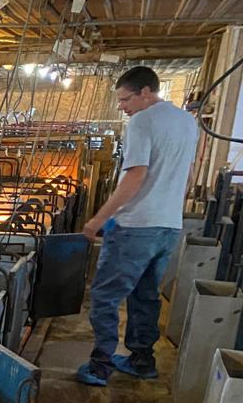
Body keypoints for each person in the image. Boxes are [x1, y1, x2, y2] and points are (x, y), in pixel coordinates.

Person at [76, 65, 199, 386]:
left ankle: (99, 366)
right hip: (169, 226)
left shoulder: (143, 122)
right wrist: (169, 206)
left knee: (105, 296)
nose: (121, 106)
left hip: (135, 226)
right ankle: (142, 360)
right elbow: (189, 175)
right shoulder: (187, 121)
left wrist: (99, 219)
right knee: (146, 294)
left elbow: (135, 175)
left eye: (125, 99)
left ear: (146, 92)